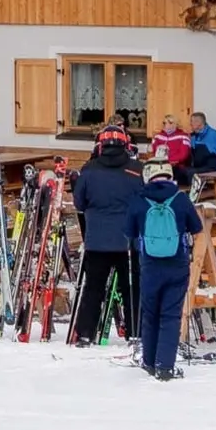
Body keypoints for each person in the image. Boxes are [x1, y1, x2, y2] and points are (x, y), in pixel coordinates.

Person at [131, 151, 204, 380]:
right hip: (177, 264)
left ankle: (149, 362)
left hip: (150, 264)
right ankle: (165, 365)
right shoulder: (181, 199)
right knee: (171, 315)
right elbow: (196, 228)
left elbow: (129, 232)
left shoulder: (139, 199)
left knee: (150, 313)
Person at [69, 126, 143, 343]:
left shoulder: (89, 170)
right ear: (125, 145)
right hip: (128, 241)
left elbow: (79, 202)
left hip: (97, 240)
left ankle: (85, 332)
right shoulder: (137, 169)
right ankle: (136, 331)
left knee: (93, 289)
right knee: (132, 289)